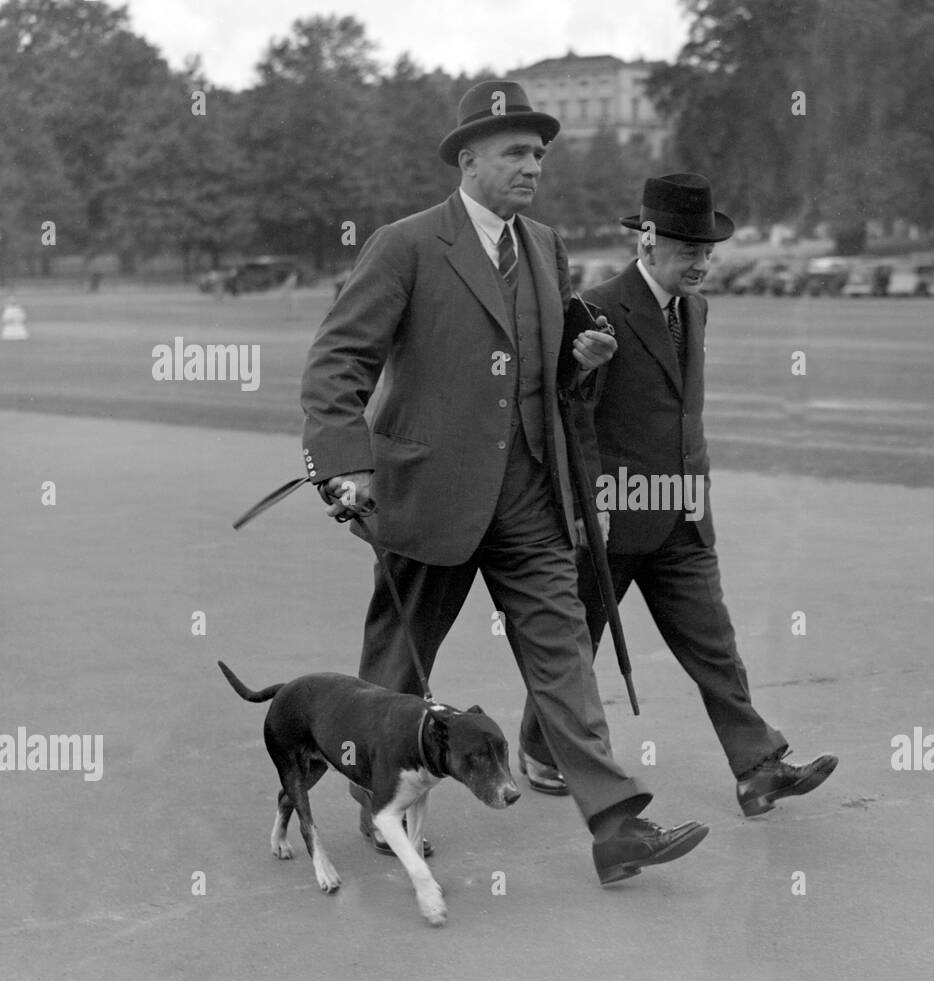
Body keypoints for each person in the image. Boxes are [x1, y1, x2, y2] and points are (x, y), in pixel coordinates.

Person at [299, 82, 708, 885]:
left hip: (530, 494)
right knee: (396, 671)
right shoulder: (406, 244)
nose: (533, 166)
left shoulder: (548, 248)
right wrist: (344, 461)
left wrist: (579, 364)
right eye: (517, 152)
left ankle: (616, 822)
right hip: (426, 493)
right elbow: (336, 362)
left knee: (563, 656)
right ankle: (383, 805)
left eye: (540, 154)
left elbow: (548, 376)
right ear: (469, 157)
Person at [520, 174, 837, 817]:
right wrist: (581, 369)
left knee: (716, 646)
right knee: (577, 643)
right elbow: (566, 410)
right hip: (611, 516)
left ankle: (758, 768)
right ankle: (539, 749)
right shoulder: (596, 308)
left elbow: (679, 411)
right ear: (648, 239)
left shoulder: (696, 308)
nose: (701, 262)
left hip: (685, 515)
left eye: (708, 249)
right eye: (689, 249)